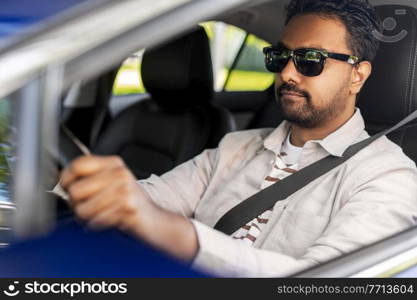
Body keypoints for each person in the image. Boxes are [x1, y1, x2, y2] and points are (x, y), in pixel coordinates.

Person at [60, 0, 417, 277]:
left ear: (358, 75)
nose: (287, 73)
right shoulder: (236, 147)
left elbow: (322, 281)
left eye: (311, 60)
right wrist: (77, 194)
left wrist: (183, 236)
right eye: (280, 56)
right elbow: (148, 197)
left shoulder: (389, 177)